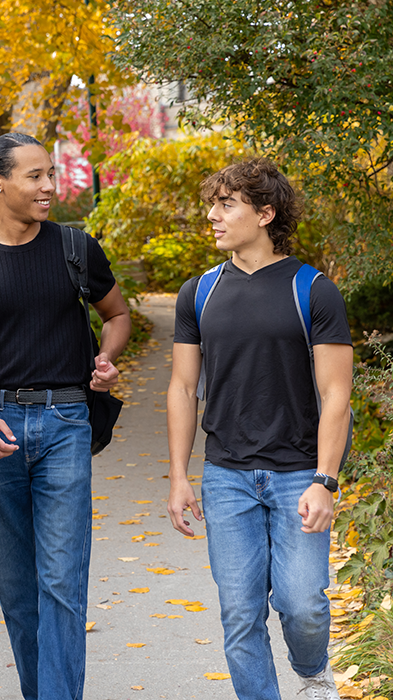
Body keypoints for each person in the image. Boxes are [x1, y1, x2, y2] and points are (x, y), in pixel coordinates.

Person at [0, 132, 131, 700]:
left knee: (62, 582)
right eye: (35, 176)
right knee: (18, 587)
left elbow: (116, 315)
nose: (49, 186)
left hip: (67, 420)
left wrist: (106, 359)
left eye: (52, 174)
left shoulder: (75, 248)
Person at [167, 159, 352, 700]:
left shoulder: (312, 290)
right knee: (240, 615)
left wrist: (326, 479)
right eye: (213, 203)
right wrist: (179, 476)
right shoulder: (197, 292)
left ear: (265, 214)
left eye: (227, 205)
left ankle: (313, 671)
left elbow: (336, 392)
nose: (212, 216)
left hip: (298, 475)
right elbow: (182, 389)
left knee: (304, 606)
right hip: (226, 477)